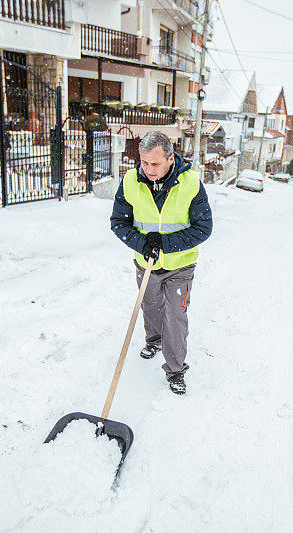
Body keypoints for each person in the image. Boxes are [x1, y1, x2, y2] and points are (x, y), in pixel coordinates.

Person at [110, 131, 212, 394]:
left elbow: (204, 228)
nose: (149, 169)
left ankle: (176, 369)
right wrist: (142, 243)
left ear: (170, 158)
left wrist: (165, 243)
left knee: (175, 316)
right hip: (146, 264)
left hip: (180, 266)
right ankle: (153, 340)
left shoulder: (190, 183)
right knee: (151, 306)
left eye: (155, 164)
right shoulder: (131, 181)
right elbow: (118, 222)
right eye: (144, 162)